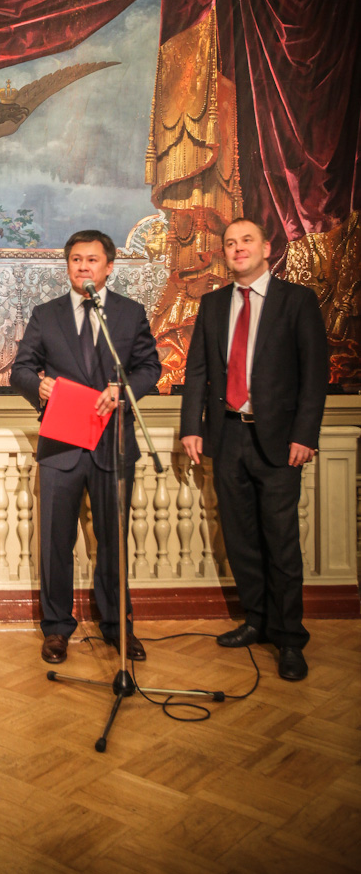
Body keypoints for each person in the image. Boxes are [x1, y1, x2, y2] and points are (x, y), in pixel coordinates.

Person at [180, 218, 328, 681]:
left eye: (247, 240)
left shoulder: (297, 301)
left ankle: (290, 638)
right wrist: (191, 427)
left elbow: (314, 374)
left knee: (281, 541)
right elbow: (197, 371)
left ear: (266, 248)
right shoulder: (213, 304)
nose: (238, 248)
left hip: (280, 442)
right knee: (240, 537)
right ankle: (257, 621)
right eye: (230, 243)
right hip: (226, 437)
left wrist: (305, 435)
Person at [10, 230, 161, 664]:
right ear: (68, 266)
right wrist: (38, 386)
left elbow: (149, 366)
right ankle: (57, 628)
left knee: (114, 542)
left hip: (113, 442)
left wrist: (122, 390)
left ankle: (117, 626)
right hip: (62, 444)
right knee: (56, 542)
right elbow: (21, 369)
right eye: (76, 259)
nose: (83, 266)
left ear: (109, 267)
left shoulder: (130, 313)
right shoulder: (46, 314)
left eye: (92, 260)